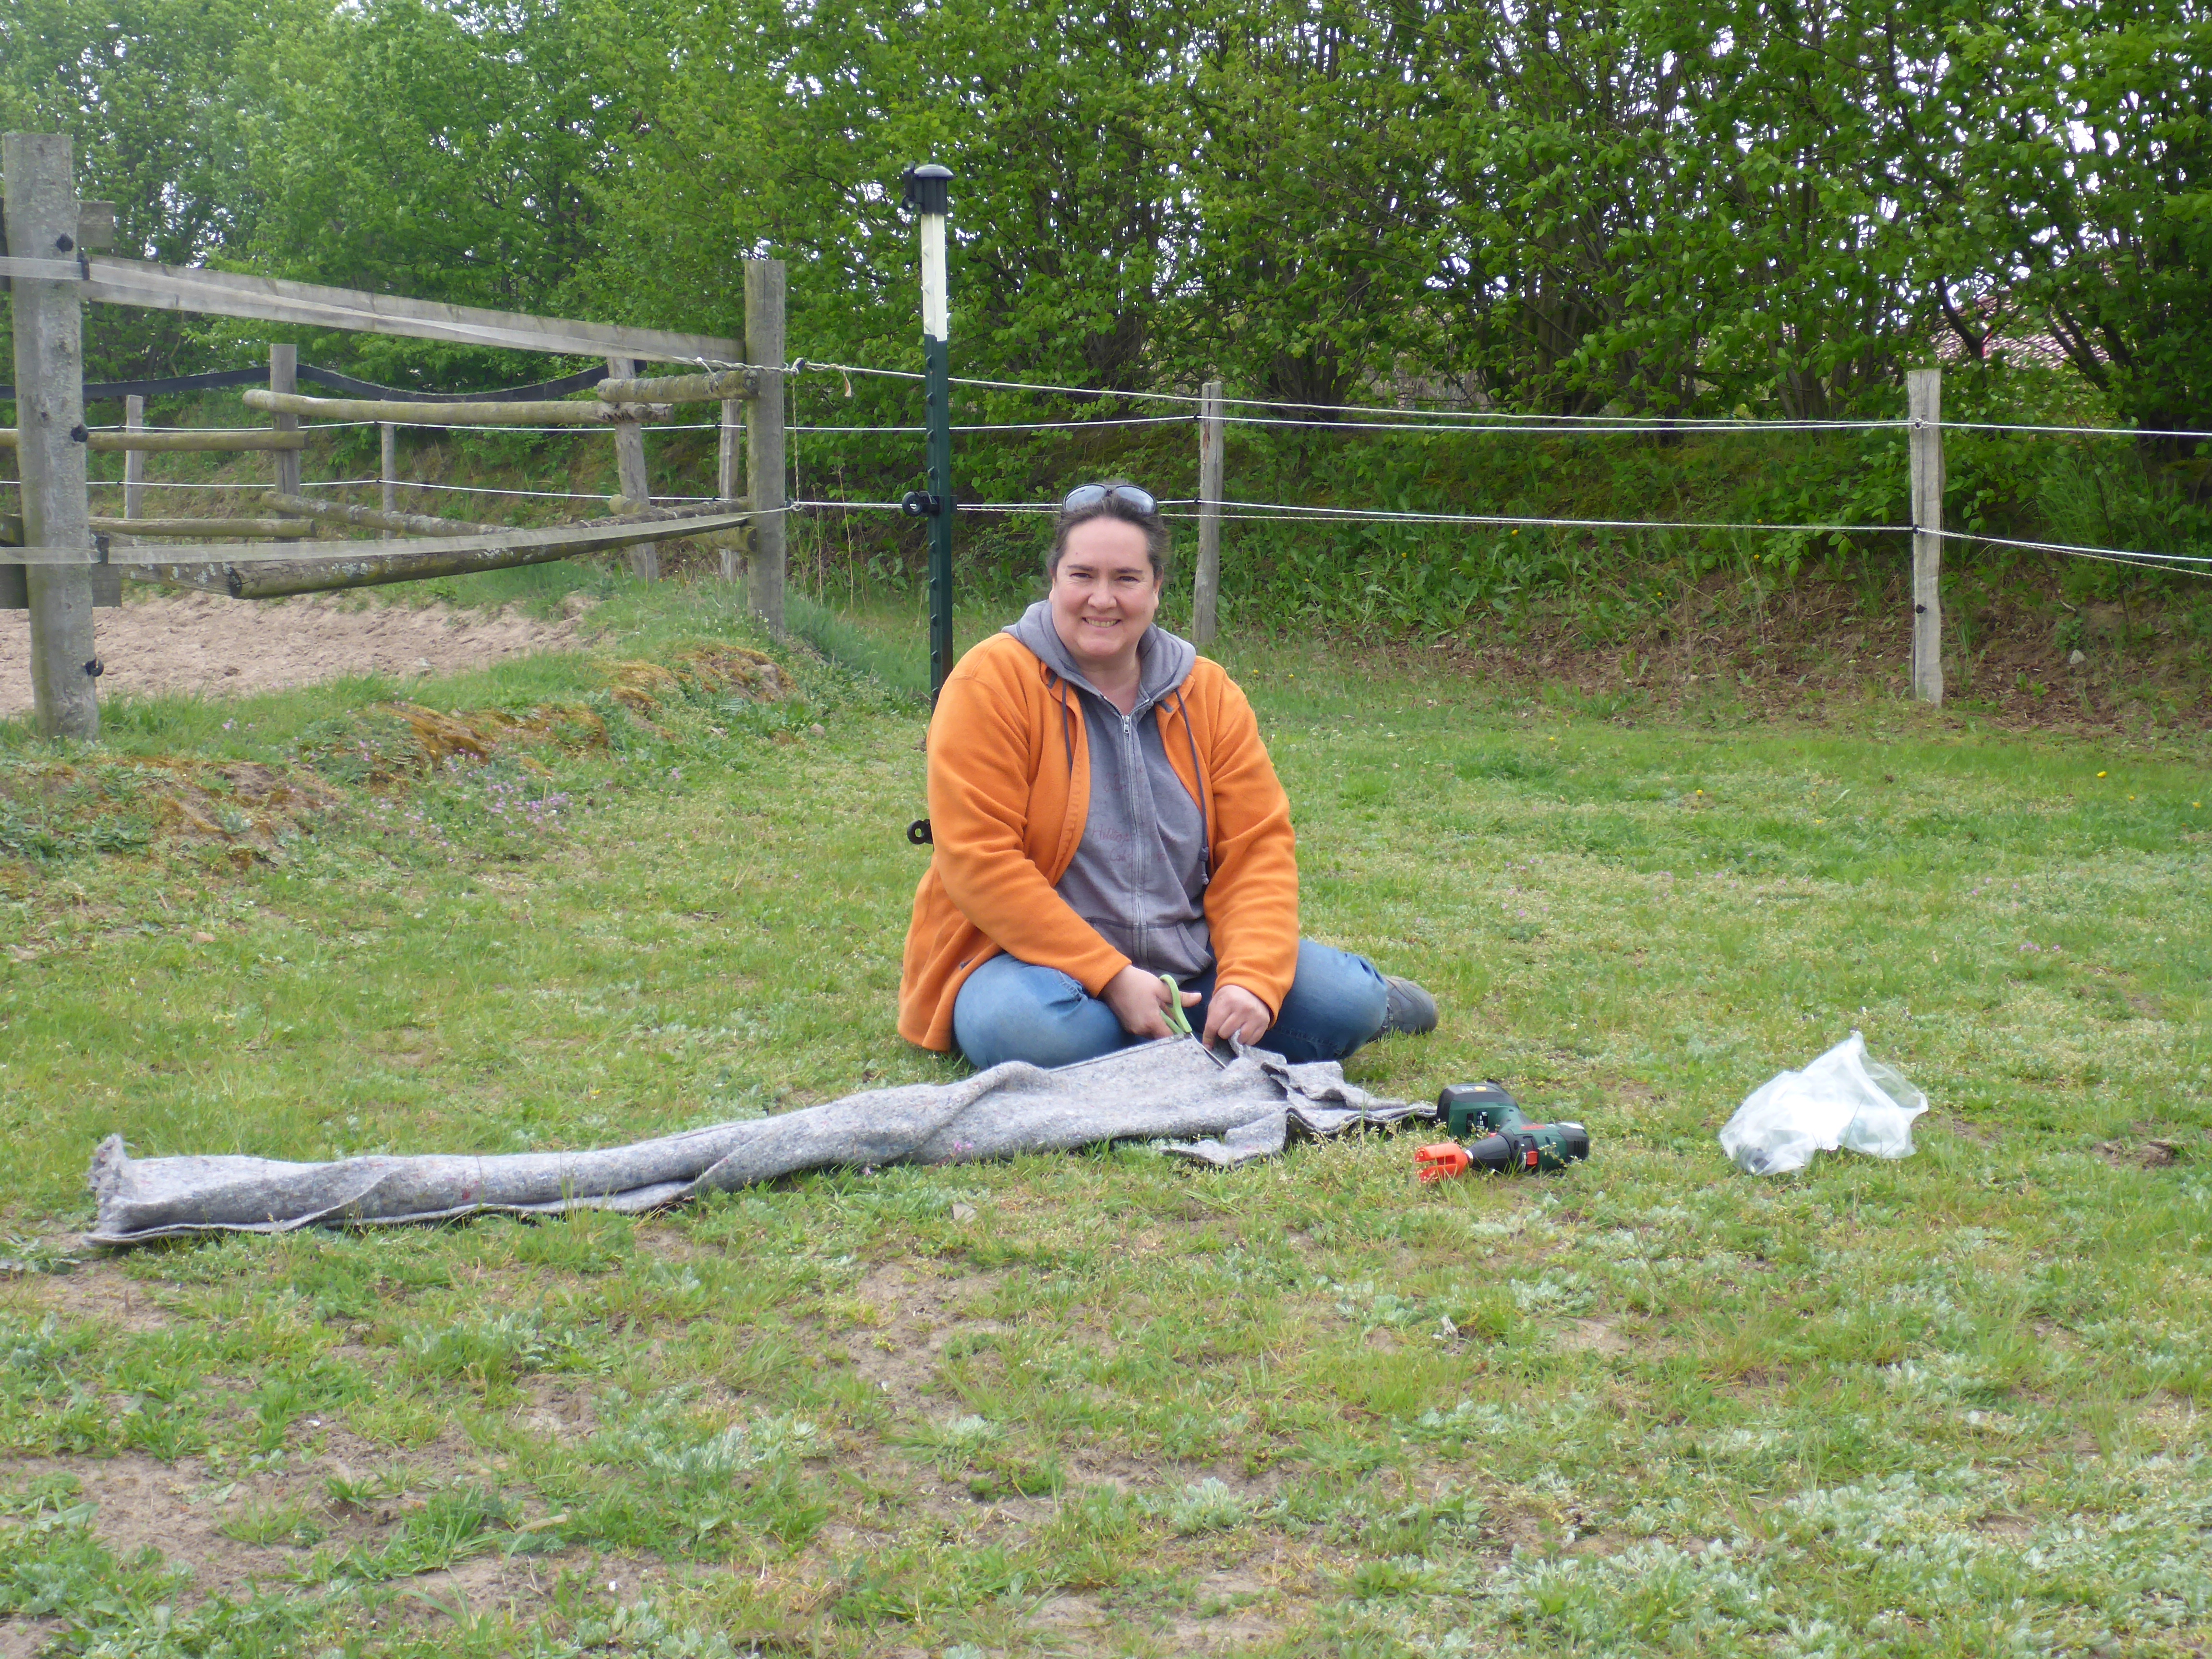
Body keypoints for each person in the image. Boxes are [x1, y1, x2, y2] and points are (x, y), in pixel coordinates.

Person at [897, 480, 1436, 1070]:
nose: (1102, 598)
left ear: (1156, 588)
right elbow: (979, 861)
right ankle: (1168, 1036)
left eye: (1127, 579)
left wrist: (1250, 980)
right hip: (1035, 968)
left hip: (1188, 955)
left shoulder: (1209, 692)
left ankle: (1355, 1004)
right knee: (1030, 1032)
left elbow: (1256, 851)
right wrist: (1112, 977)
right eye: (1082, 575)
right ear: (1053, 580)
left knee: (1346, 1003)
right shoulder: (990, 682)